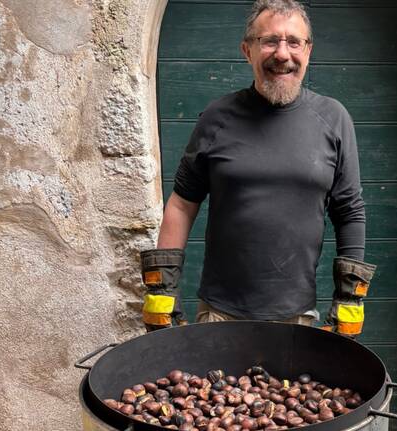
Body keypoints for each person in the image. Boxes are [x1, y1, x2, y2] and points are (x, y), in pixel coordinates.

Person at [139, 0, 376, 337]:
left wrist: (350, 304)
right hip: (218, 314)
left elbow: (350, 211)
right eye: (269, 41)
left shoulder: (334, 119)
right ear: (247, 50)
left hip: (298, 318)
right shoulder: (216, 118)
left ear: (308, 50)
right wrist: (161, 296)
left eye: (294, 41)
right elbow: (180, 204)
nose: (282, 54)